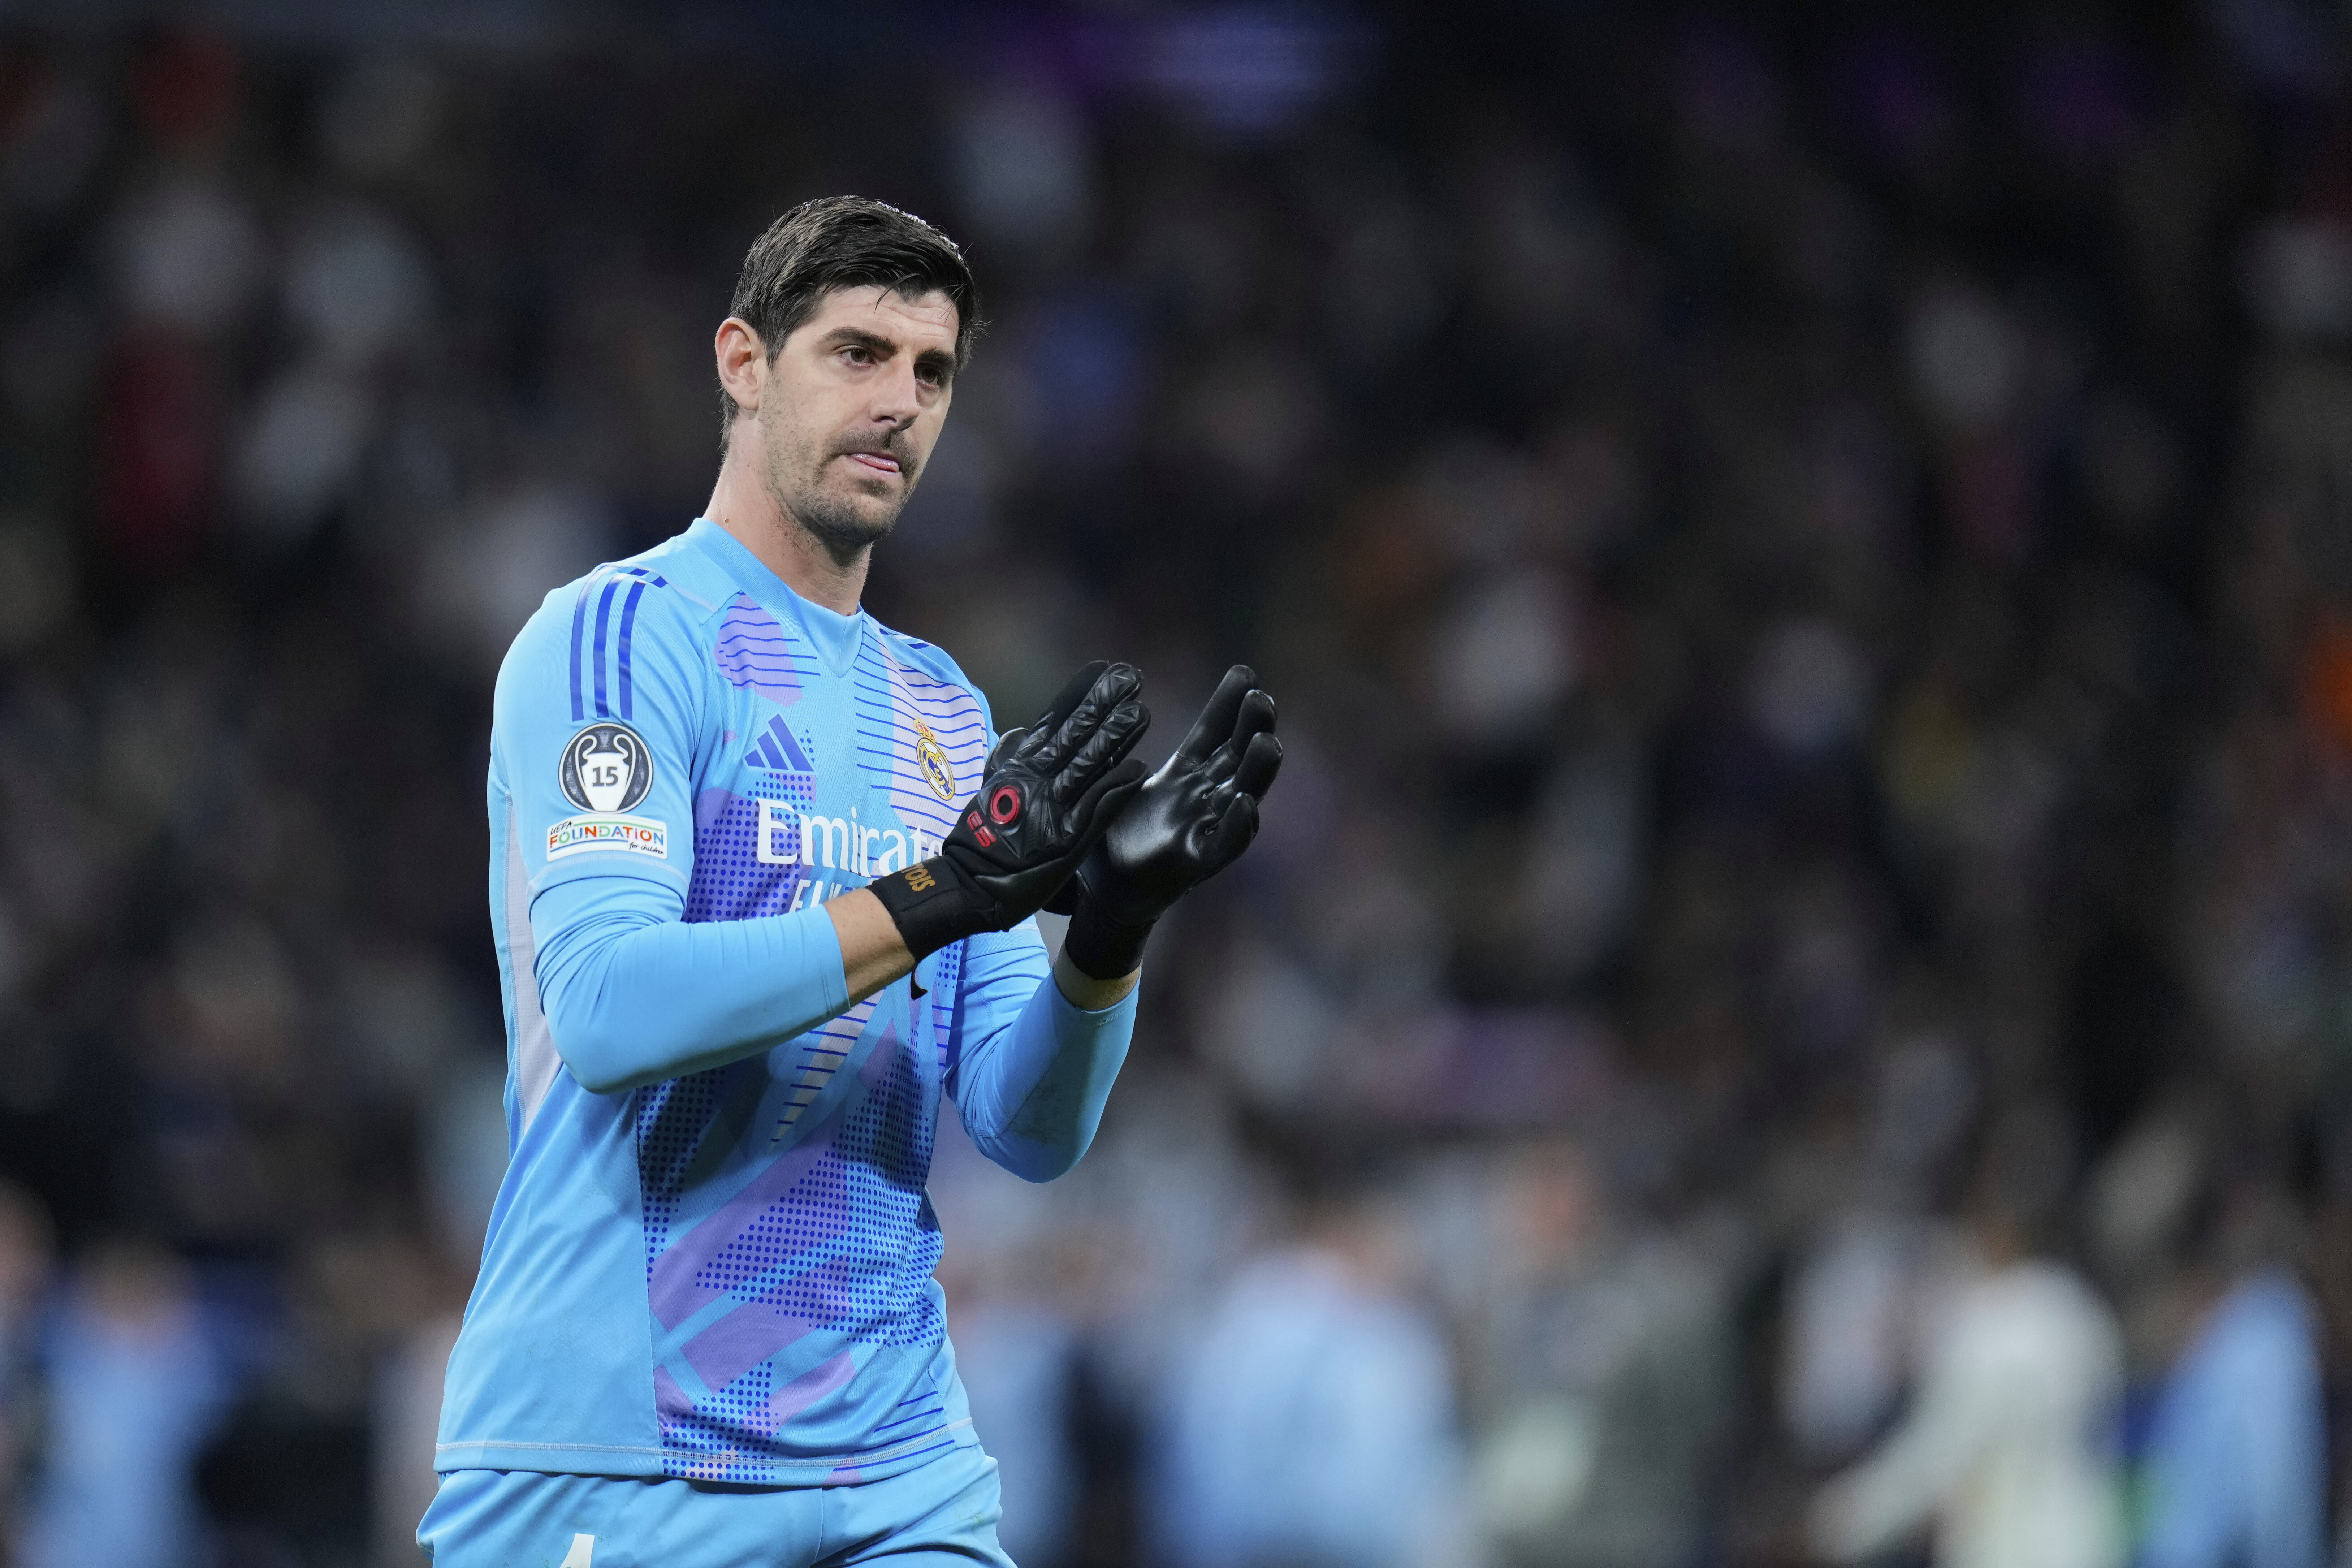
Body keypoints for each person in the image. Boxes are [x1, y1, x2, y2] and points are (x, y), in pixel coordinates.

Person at [419, 196, 1281, 1567]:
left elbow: (1024, 1127)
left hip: (896, 1459)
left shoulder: (941, 711)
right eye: (858, 354)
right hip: (620, 1452)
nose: (900, 404)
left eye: (932, 373)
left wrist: (1105, 937)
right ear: (744, 364)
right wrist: (941, 895)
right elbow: (609, 1010)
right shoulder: (615, 638)